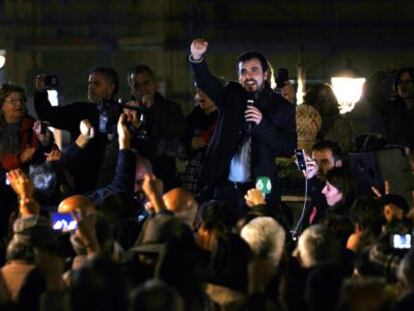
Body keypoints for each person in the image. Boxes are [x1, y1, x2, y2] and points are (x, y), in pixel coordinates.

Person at [189, 38, 297, 224]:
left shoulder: (282, 108)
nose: (248, 76)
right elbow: (207, 82)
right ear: (239, 77)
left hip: (259, 190)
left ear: (265, 74)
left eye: (254, 70)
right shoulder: (231, 95)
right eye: (243, 72)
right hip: (224, 188)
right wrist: (197, 57)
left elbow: (288, 146)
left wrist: (262, 123)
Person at [34, 67, 120, 193]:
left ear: (111, 87)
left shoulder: (123, 113)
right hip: (81, 183)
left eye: (96, 83)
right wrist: (40, 92)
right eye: (89, 83)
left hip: (113, 181)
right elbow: (48, 114)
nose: (91, 87)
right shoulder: (80, 111)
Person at [127, 64, 185, 191]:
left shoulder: (172, 108)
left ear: (154, 84)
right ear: (131, 89)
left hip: (165, 178)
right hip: (135, 181)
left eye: (146, 83)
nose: (143, 89)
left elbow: (179, 132)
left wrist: (153, 109)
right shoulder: (126, 112)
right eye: (137, 85)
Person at [178, 88, 218, 195]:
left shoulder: (224, 117)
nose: (200, 95)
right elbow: (180, 150)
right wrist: (190, 145)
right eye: (198, 91)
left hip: (215, 178)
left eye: (205, 91)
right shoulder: (194, 117)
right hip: (193, 177)